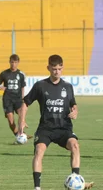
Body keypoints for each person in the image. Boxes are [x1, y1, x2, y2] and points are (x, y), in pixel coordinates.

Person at [17, 55, 94, 190]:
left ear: (62, 68)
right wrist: (22, 121)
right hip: (46, 128)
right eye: (54, 69)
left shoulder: (68, 87)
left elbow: (73, 104)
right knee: (39, 150)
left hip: (64, 128)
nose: (57, 71)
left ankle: (76, 182)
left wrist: (75, 111)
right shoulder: (40, 86)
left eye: (59, 69)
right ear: (48, 68)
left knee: (75, 146)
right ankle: (37, 188)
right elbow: (25, 103)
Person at [0, 54, 32, 141]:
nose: (13, 64)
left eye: (15, 62)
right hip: (7, 100)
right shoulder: (4, 73)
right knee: (11, 122)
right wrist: (0, 88)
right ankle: (19, 135)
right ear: (9, 62)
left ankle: (21, 134)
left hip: (18, 99)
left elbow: (22, 87)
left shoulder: (21, 74)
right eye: (12, 62)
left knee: (21, 116)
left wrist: (23, 98)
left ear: (18, 63)